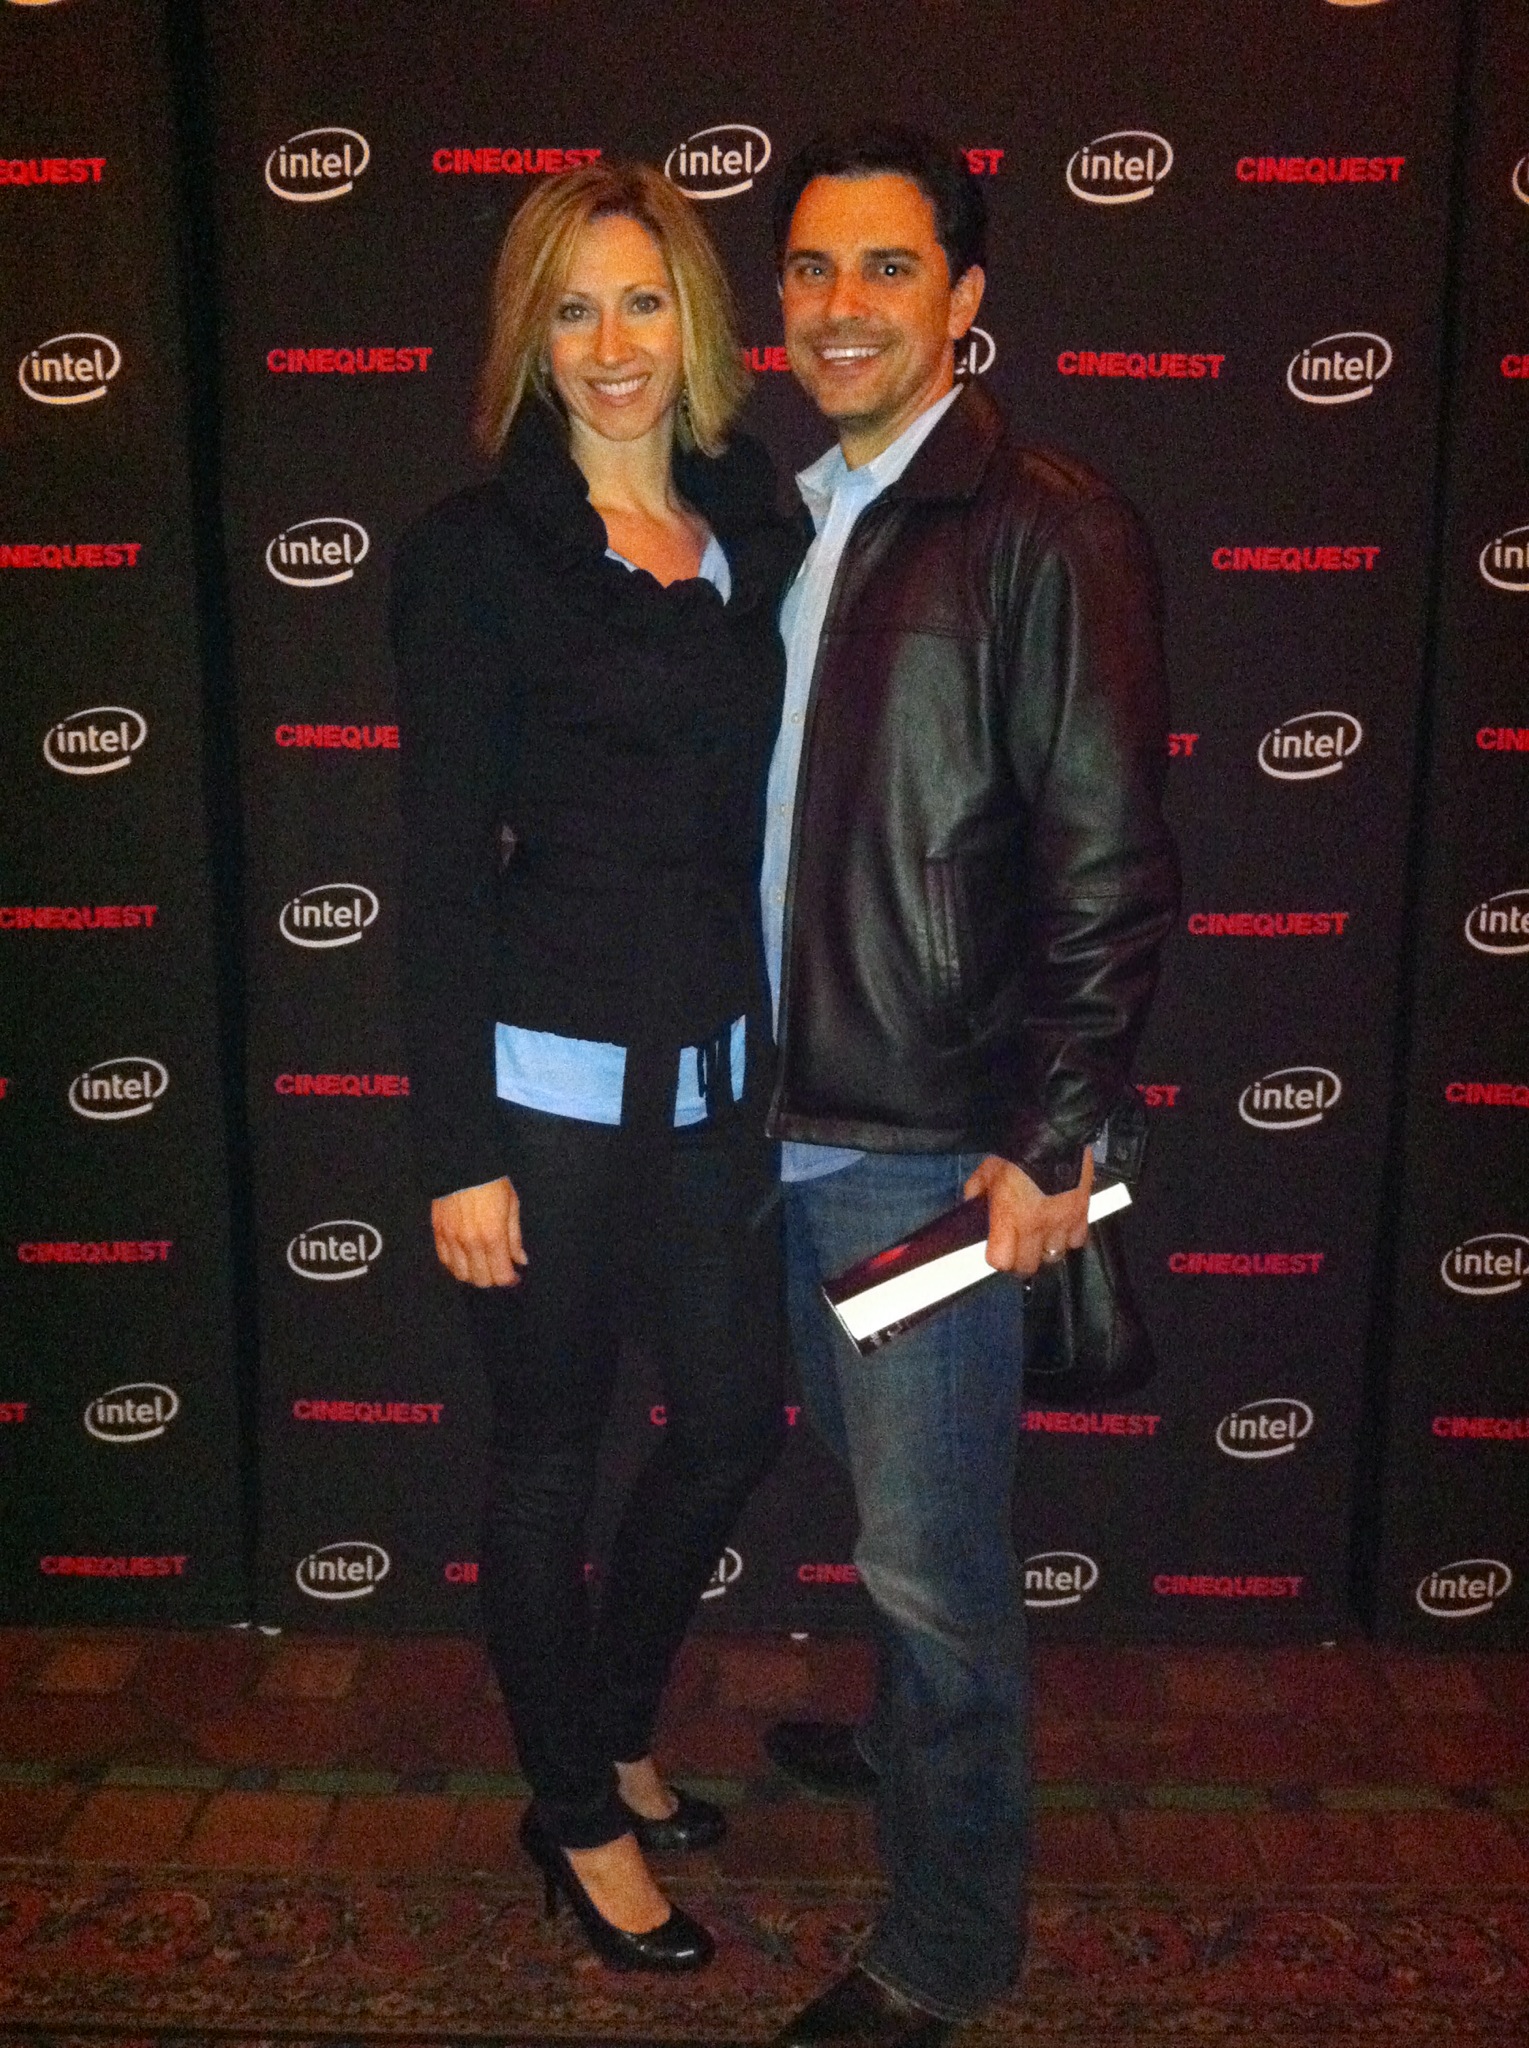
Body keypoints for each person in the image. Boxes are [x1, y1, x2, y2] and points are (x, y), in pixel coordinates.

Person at [758, 129, 1179, 2046]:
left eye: (887, 268)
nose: (840, 305)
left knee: (934, 1572)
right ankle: (910, 1750)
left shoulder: (1044, 523)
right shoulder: (803, 514)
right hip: (783, 1114)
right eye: (810, 269)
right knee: (887, 1520)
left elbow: (1107, 856)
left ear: (965, 298)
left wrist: (1052, 1135)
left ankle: (945, 1943)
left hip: (931, 1144)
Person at [392, 161, 793, 1973]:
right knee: (549, 1457)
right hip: (543, 1092)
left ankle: (612, 1732)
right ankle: (571, 1815)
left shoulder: (752, 526)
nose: (612, 343)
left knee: (728, 1421)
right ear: (529, 340)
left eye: (642, 301)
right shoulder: (481, 557)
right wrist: (453, 1148)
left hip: (715, 1080)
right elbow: (434, 869)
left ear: (694, 321)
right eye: (572, 308)